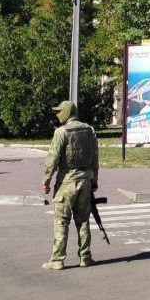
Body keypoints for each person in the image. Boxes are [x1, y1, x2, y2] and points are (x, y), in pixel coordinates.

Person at [41, 100, 99, 270]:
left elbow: (52, 159)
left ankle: (57, 259)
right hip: (86, 180)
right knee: (83, 221)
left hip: (66, 182)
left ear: (67, 112)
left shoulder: (61, 132)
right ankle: (85, 257)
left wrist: (46, 181)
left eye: (59, 111)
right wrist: (94, 179)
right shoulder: (90, 130)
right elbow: (95, 157)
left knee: (61, 221)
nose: (57, 114)